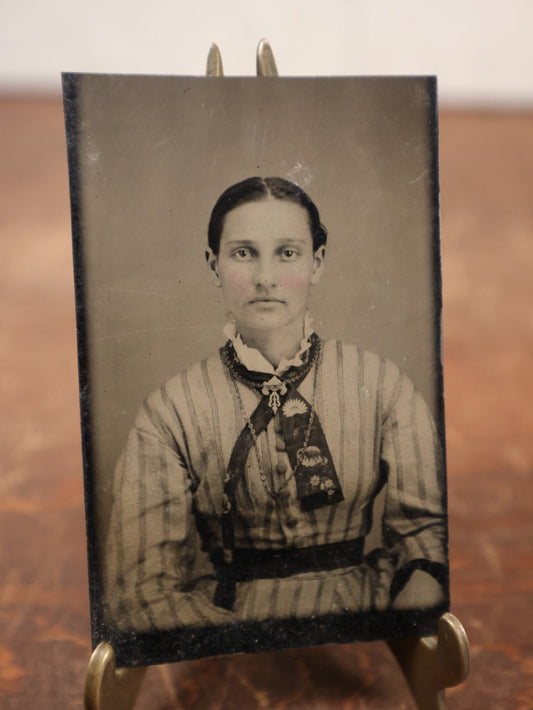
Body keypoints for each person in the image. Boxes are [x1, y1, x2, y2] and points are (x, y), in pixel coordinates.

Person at [103, 177, 447, 633]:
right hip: (226, 624)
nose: (265, 277)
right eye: (243, 253)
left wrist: (409, 610)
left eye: (287, 253)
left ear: (317, 263)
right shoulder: (170, 412)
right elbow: (140, 588)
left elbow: (428, 536)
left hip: (367, 614)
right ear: (214, 265)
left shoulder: (383, 385)